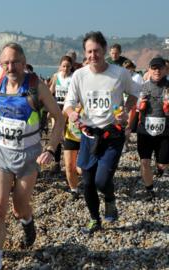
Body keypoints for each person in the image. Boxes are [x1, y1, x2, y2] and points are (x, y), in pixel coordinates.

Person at [0, 43, 64, 270]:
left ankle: (28, 222)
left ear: (23, 62)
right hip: (1, 154)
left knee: (19, 207)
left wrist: (50, 149)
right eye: (6, 63)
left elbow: (59, 118)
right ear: (1, 64)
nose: (11, 67)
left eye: (15, 62)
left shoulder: (36, 87)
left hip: (29, 157)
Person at [63, 31, 139, 234]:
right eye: (89, 51)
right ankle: (95, 219)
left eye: (96, 51)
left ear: (105, 50)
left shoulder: (119, 73)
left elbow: (134, 94)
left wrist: (125, 112)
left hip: (112, 134)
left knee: (102, 180)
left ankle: (110, 198)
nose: (92, 55)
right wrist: (71, 114)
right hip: (89, 135)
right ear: (84, 53)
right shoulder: (79, 75)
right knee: (87, 182)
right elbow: (68, 104)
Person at [133, 56, 169, 201]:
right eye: (154, 68)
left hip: (166, 130)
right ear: (149, 70)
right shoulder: (142, 87)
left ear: (165, 69)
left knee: (162, 163)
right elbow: (133, 107)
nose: (157, 71)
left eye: (159, 68)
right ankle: (149, 189)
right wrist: (139, 105)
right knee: (144, 162)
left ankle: (161, 168)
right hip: (145, 130)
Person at [49, 55, 74, 174]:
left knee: (68, 135)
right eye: (63, 66)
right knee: (56, 135)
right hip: (57, 107)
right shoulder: (56, 76)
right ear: (60, 66)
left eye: (68, 66)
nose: (65, 68)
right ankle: (57, 163)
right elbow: (51, 91)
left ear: (71, 67)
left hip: (68, 108)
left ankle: (72, 161)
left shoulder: (73, 78)